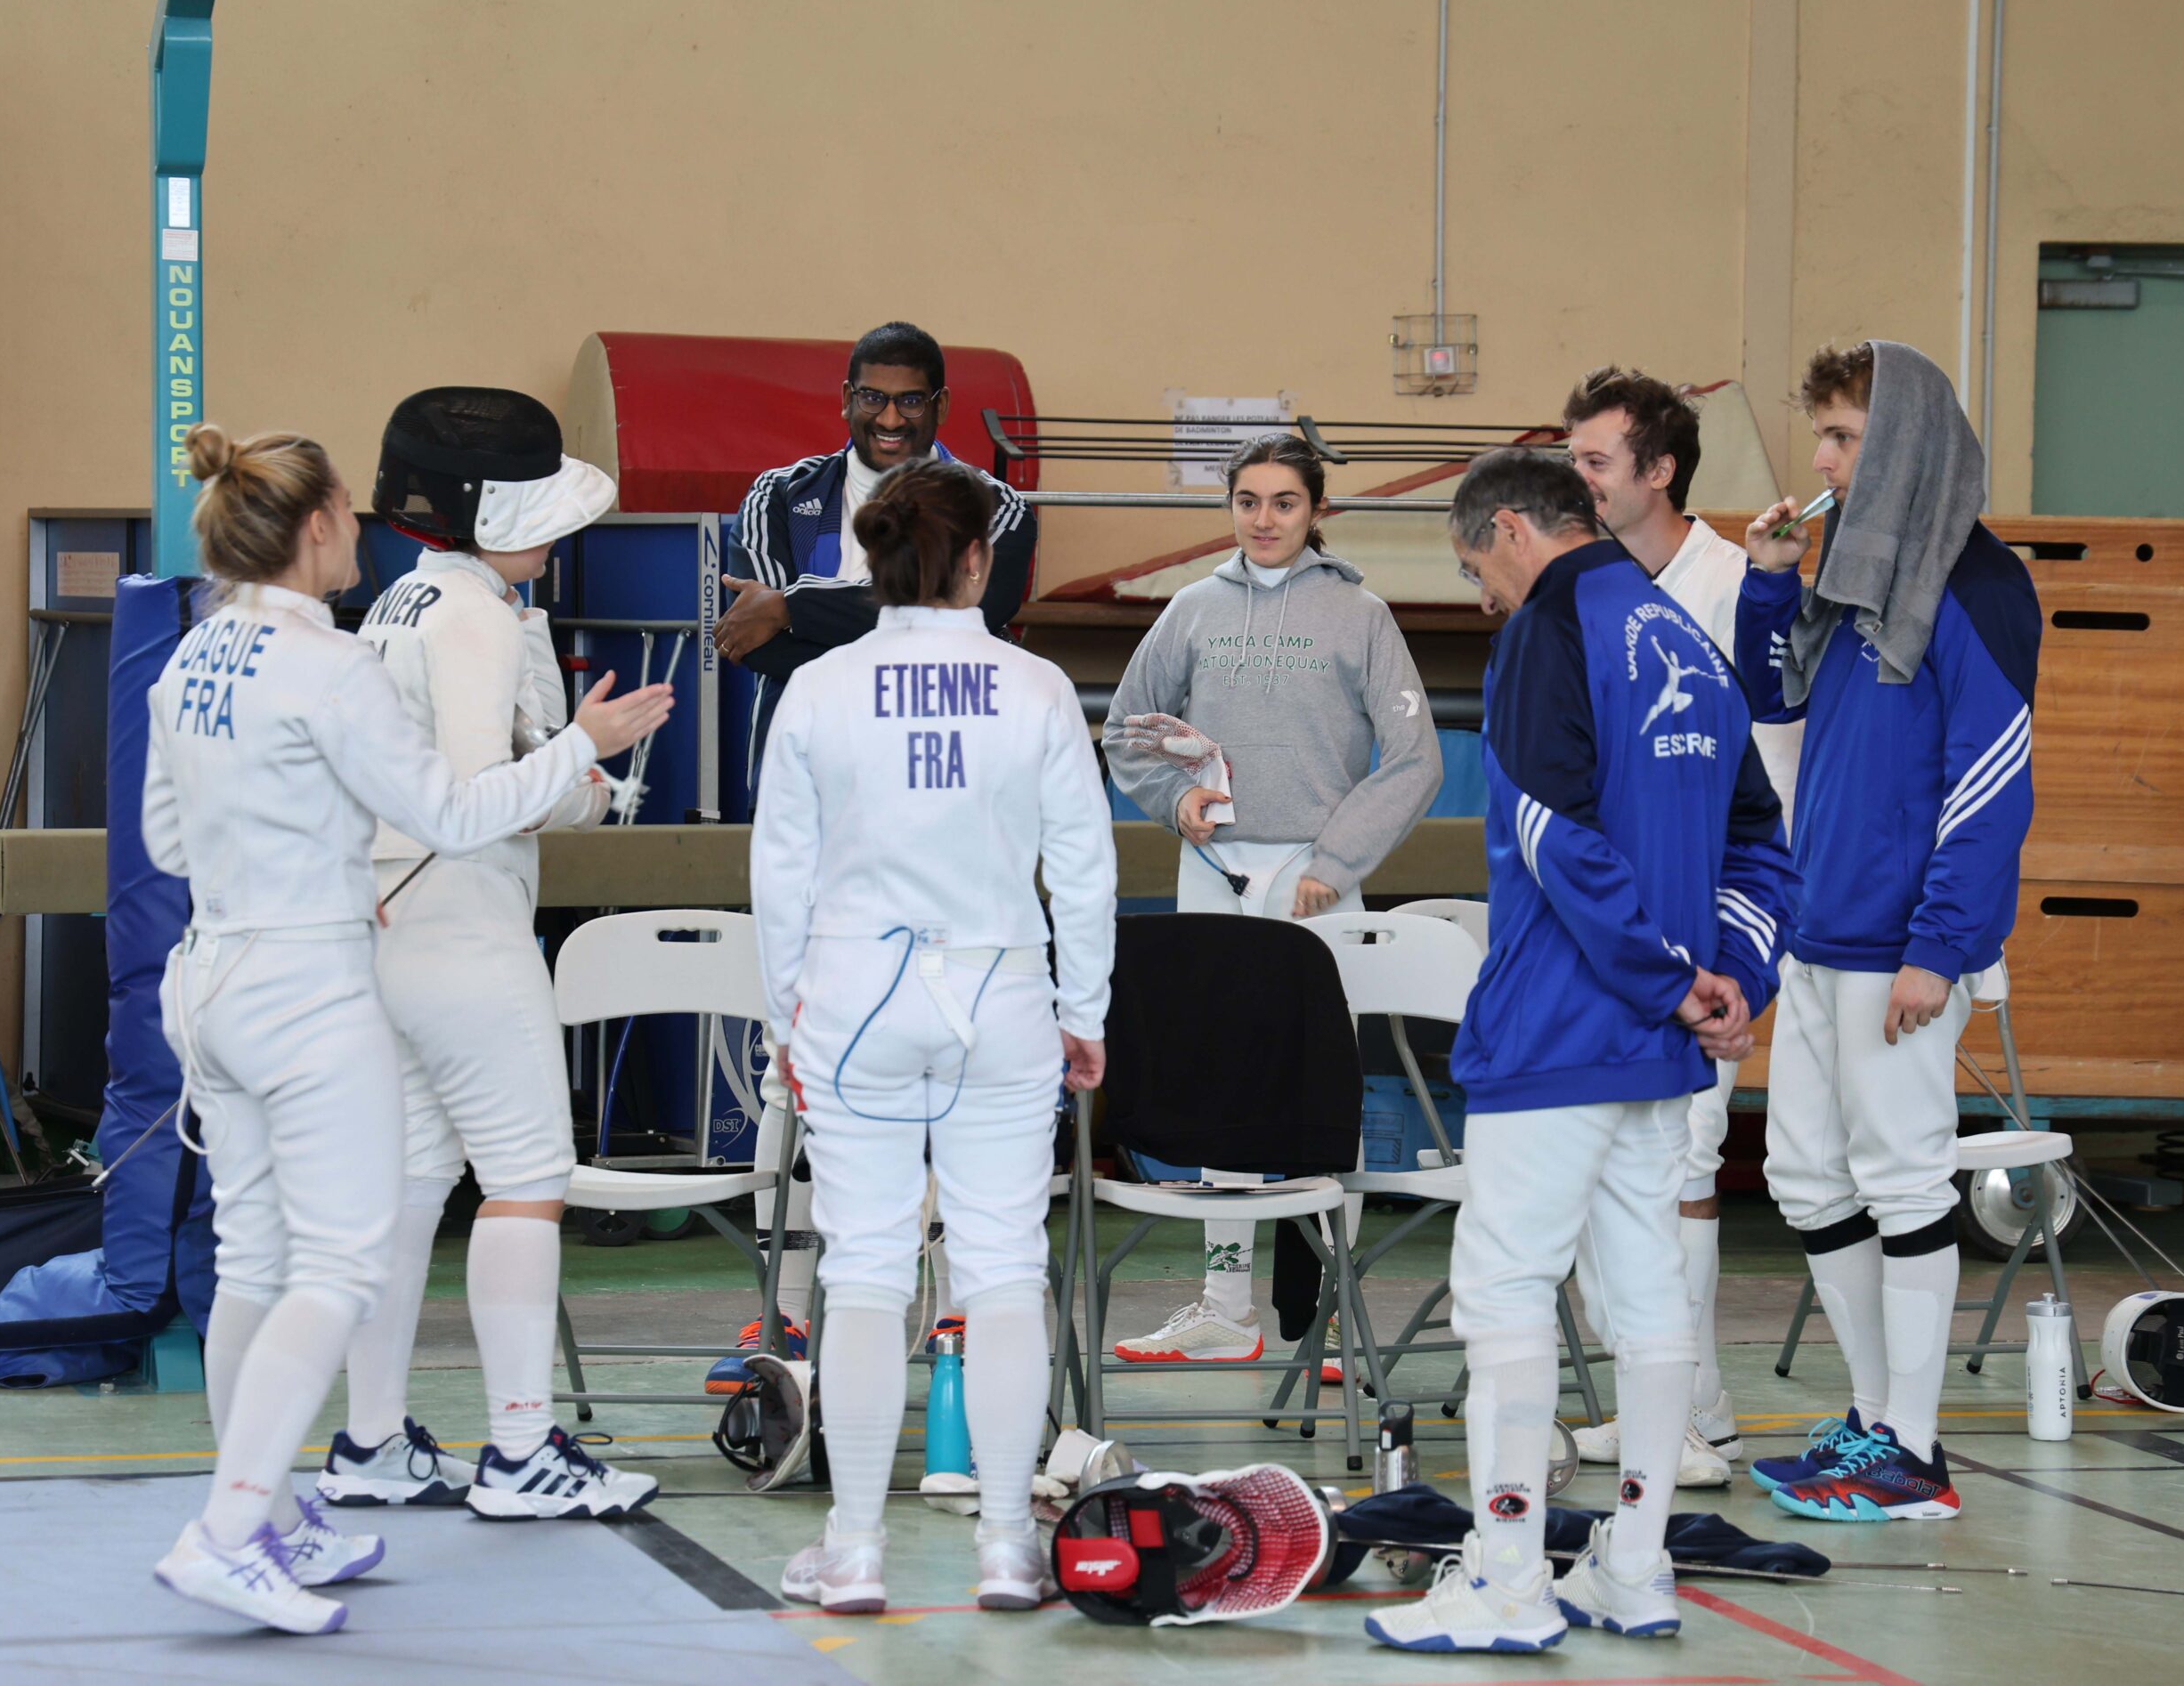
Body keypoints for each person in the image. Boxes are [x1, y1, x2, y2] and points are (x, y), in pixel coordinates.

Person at [144, 424, 671, 1634]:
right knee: (353, 1255)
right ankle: (232, 1528)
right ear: (317, 524)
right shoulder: (331, 660)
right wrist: (583, 752)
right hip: (313, 979)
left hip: (212, 976)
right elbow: (454, 808)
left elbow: (169, 843)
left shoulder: (195, 655)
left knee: (258, 1257)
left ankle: (277, 1505)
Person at [1369, 450, 1791, 1654]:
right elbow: (1762, 840)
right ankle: (1638, 1569)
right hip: (1659, 1047)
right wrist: (1730, 976)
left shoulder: (1546, 632)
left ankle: (1508, 1582)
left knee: (1505, 1293)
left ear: (1511, 528)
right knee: (1648, 1300)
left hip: (1559, 1030)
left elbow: (1553, 833)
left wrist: (1669, 975)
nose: (1483, 597)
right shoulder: (1685, 633)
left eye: (1475, 569)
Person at [749, 457, 1115, 1613]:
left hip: (851, 999)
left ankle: (854, 1552)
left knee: (861, 1269)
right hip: (1000, 997)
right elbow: (1085, 870)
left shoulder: (819, 687)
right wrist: (1084, 1011)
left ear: (874, 559)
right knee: (1000, 1266)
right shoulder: (1037, 687)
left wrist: (786, 1014)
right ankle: (1006, 1547)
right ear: (976, 560)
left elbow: (779, 871)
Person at [313, 388, 658, 1520]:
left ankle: (371, 1443)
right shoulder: (472, 614)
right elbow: (476, 802)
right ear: (489, 509)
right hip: (460, 923)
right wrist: (587, 763)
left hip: (389, 926)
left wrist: (570, 768)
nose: (557, 538)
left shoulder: (402, 598)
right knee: (527, 1177)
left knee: (413, 1180)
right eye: (541, 513)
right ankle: (519, 1454)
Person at [1733, 342, 2040, 1523]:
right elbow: (1776, 701)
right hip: (1820, 932)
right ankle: (1875, 1424)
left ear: (1904, 443)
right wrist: (1772, 584)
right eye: (1821, 434)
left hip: (1900, 947)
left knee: (1905, 1183)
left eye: (1844, 437)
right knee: (1810, 1180)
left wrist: (1938, 945)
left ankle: (1914, 1456)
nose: (1821, 459)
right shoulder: (1859, 570)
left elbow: (1992, 778)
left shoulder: (1976, 583)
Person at [709, 320, 1039, 1390]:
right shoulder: (780, 496)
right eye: (871, 398)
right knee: (795, 1068)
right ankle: (787, 1308)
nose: (889, 419)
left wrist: (798, 611)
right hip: (821, 824)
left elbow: (984, 611)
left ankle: (946, 1314)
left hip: (948, 838)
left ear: (939, 403)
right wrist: (842, 614)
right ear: (844, 396)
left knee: (944, 1076)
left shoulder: (996, 506)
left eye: (910, 400)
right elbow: (752, 638)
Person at [1101, 432, 1441, 1368]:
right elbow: (1125, 732)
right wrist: (1175, 798)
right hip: (1213, 872)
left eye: (1284, 502)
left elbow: (1415, 759)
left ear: (1317, 511)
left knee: (1321, 1086)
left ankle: (1325, 1315)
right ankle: (1226, 1308)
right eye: (1247, 500)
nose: (1263, 519)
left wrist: (1336, 857)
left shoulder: (1361, 614)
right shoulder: (1192, 609)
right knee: (1224, 1078)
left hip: (1318, 882)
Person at [1560, 367, 1804, 1485]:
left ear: (1658, 470)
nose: (1578, 479)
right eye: (1571, 459)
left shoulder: (1736, 583)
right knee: (1607, 1165)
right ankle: (1660, 1400)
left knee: (1685, 1159)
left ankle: (1696, 1415)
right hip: (1615, 922)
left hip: (1712, 922)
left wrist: (1735, 939)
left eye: (1595, 460)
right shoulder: (1586, 584)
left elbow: (1767, 762)